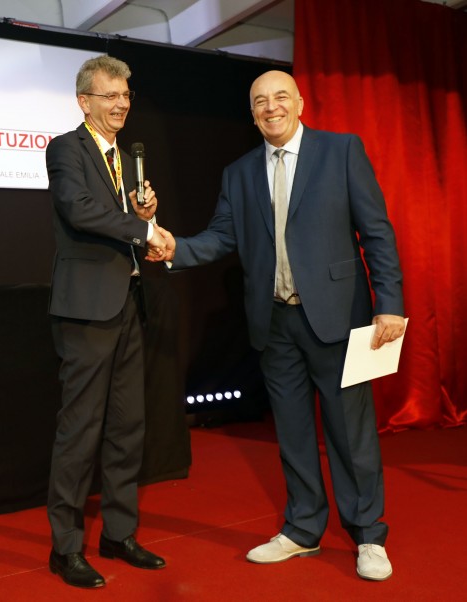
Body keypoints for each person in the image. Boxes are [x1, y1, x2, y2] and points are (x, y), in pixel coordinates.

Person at [160, 70, 405, 581]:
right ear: (252, 114)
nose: (271, 107)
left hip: (338, 318)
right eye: (260, 101)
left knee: (350, 434)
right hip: (273, 322)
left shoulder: (341, 151)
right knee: (292, 433)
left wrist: (389, 304)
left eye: (279, 97)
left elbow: (377, 231)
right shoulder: (238, 172)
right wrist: (174, 248)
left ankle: (368, 535)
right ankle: (302, 529)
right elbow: (221, 236)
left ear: (299, 103)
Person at [44, 54, 169, 589]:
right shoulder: (65, 149)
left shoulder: (126, 157)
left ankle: (119, 534)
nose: (121, 105)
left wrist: (143, 216)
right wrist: (143, 232)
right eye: (110, 96)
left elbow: (120, 221)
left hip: (129, 304)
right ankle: (66, 548)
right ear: (84, 101)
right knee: (80, 431)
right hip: (86, 310)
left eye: (125, 96)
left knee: (127, 427)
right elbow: (78, 209)